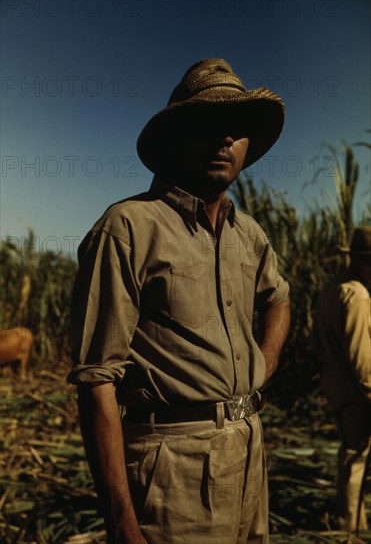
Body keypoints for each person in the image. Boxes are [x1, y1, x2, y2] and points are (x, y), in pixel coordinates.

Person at [67, 58, 290, 544]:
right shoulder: (128, 228)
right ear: (177, 137)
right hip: (173, 472)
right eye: (209, 125)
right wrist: (122, 522)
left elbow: (279, 298)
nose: (224, 139)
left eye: (237, 129)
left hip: (250, 452)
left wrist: (263, 364)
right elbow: (97, 378)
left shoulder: (249, 233)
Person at [312, 226, 371, 533]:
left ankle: (350, 523)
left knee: (350, 452)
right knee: (356, 458)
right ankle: (351, 528)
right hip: (356, 392)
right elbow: (363, 363)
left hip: (335, 386)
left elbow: (318, 344)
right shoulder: (358, 295)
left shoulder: (333, 286)